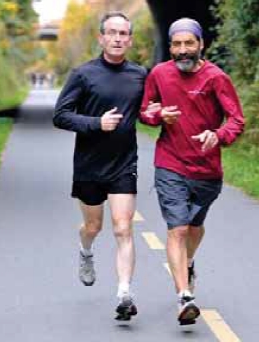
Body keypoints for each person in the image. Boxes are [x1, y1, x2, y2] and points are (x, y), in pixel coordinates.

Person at [140, 18, 244, 325]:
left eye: (189, 44)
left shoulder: (216, 78)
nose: (183, 50)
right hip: (170, 162)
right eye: (176, 44)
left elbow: (236, 120)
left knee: (194, 228)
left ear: (201, 45)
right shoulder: (159, 74)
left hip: (207, 169)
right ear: (170, 46)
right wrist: (158, 114)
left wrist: (219, 135)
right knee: (178, 228)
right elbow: (144, 111)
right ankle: (185, 296)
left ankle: (188, 262)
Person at [53, 12, 146, 321]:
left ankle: (123, 292)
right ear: (101, 38)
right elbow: (61, 115)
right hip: (90, 166)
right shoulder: (83, 74)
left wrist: (156, 112)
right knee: (94, 227)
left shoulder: (140, 75)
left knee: (123, 227)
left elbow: (144, 112)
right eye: (112, 33)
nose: (118, 38)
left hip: (124, 164)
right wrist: (97, 123)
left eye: (123, 33)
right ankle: (86, 251)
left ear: (130, 40)